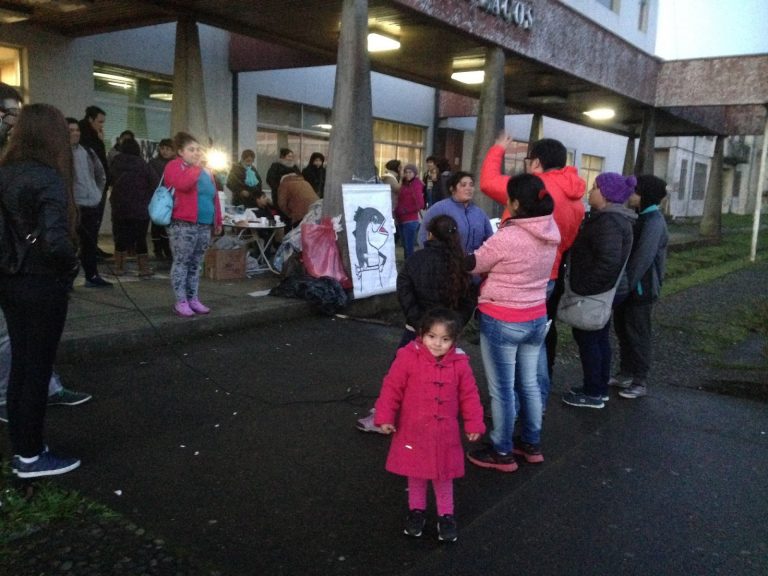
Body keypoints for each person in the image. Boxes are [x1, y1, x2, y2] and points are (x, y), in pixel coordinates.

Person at [0, 103, 81, 477]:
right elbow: (56, 241)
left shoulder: (5, 171)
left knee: (21, 364)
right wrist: (71, 266)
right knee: (37, 368)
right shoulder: (48, 177)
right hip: (42, 283)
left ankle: (24, 447)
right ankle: (31, 456)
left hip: (10, 280)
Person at [480, 134, 586, 409]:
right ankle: (534, 407)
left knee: (508, 348)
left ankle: (510, 409)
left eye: (529, 161)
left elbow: (488, 182)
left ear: (536, 162)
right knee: (534, 345)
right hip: (547, 276)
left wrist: (498, 149)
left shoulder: (533, 188)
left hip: (514, 277)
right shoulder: (575, 197)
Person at [465, 174, 560, 471]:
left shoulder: (509, 236)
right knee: (529, 384)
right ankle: (530, 443)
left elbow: (476, 263)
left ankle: (501, 450)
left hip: (502, 319)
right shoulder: (550, 229)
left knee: (503, 389)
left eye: (509, 198)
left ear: (516, 203)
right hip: (535, 317)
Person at [357, 215, 477, 434]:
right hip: (447, 334)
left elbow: (404, 289)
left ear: (430, 234)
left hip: (416, 330)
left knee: (398, 374)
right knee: (446, 377)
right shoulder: (462, 263)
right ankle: (436, 417)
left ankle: (383, 416)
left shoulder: (416, 259)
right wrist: (455, 324)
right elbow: (470, 298)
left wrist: (418, 322)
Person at [373, 308, 485, 542]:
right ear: (422, 334)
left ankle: (446, 515)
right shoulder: (407, 357)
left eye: (445, 339)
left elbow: (470, 396)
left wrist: (474, 423)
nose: (437, 344)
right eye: (432, 336)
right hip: (413, 431)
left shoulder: (460, 364)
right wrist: (385, 417)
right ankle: (417, 512)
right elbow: (392, 388)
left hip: (445, 434)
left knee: (444, 476)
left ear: (454, 341)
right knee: (415, 475)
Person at [562, 173, 637, 409]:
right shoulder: (610, 218)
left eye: (594, 187)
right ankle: (598, 387)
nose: (590, 192)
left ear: (605, 194)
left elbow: (608, 261)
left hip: (598, 291)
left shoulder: (609, 222)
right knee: (598, 337)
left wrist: (584, 288)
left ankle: (593, 392)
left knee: (589, 338)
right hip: (606, 290)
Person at [611, 175, 669, 399]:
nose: (630, 196)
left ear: (644, 195)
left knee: (638, 333)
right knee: (624, 331)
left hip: (640, 290)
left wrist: (624, 288)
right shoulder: (641, 217)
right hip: (630, 288)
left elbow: (642, 260)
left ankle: (639, 380)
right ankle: (626, 373)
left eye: (634, 192)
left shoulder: (653, 221)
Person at [163, 131, 223, 317]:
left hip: (204, 224)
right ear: (181, 152)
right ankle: (181, 301)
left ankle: (193, 298)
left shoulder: (207, 171)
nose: (197, 153)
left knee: (196, 264)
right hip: (183, 224)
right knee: (182, 261)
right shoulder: (174, 166)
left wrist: (217, 220)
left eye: (198, 149)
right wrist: (197, 168)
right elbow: (182, 184)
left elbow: (214, 197)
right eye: (191, 149)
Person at [67, 117, 110, 287]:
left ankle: (91, 275)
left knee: (90, 243)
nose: (75, 133)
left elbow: (101, 174)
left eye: (77, 130)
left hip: (90, 204)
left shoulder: (87, 151)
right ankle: (67, 279)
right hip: (71, 207)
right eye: (71, 130)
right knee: (69, 244)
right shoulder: (59, 154)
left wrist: (97, 194)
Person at [418, 171, 493, 256]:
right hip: (446, 263)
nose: (469, 188)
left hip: (474, 264)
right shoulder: (439, 208)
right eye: (463, 185)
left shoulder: (480, 213)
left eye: (471, 185)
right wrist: (429, 257)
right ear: (452, 189)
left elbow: (490, 240)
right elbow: (423, 234)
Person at [109, 137, 154, 277]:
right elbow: (154, 183)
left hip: (119, 207)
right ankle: (143, 269)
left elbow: (108, 180)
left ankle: (119, 267)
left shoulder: (115, 163)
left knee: (120, 238)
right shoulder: (143, 165)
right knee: (140, 238)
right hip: (140, 208)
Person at [78, 105, 111, 259]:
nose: (102, 125)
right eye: (100, 122)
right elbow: (97, 160)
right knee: (91, 219)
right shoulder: (86, 136)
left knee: (93, 220)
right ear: (90, 119)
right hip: (92, 184)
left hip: (96, 183)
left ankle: (91, 248)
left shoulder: (92, 134)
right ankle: (88, 250)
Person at [148, 138, 175, 260]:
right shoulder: (153, 163)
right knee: (156, 224)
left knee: (167, 224)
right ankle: (158, 249)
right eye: (162, 148)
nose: (165, 151)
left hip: (170, 198)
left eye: (168, 149)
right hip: (157, 197)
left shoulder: (176, 164)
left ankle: (166, 249)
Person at [394, 163, 425, 259]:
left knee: (408, 247)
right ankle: (407, 266)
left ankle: (410, 267)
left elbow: (420, 204)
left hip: (410, 220)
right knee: (405, 246)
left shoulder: (416, 184)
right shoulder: (404, 184)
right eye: (406, 172)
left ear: (415, 173)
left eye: (410, 172)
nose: (408, 174)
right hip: (401, 219)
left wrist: (405, 210)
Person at [266, 148, 300, 219]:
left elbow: (300, 178)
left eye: (292, 156)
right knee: (281, 215)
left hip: (292, 196)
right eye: (289, 156)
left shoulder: (294, 167)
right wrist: (280, 188)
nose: (290, 158)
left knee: (291, 216)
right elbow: (270, 179)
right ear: (283, 157)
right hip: (279, 195)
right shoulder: (276, 166)